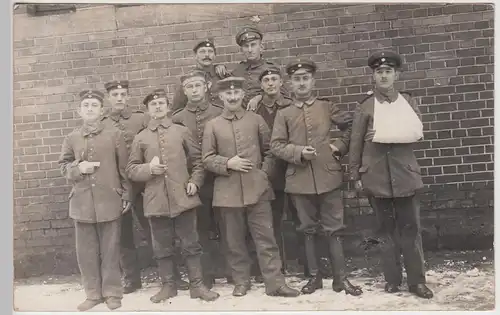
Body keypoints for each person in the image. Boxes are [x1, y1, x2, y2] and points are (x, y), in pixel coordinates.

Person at [270, 60, 362, 296]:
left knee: (334, 229)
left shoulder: (326, 107)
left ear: (313, 81)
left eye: (306, 78)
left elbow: (353, 127)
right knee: (307, 229)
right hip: (298, 180)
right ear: (290, 84)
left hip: (328, 177)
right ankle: (314, 278)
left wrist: (339, 146)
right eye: (297, 79)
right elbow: (276, 146)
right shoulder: (284, 113)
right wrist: (298, 152)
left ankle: (341, 279)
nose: (301, 83)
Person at [202, 77, 300, 298]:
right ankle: (241, 281)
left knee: (266, 239)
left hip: (258, 190)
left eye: (237, 93)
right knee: (234, 241)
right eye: (228, 94)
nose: (233, 97)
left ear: (243, 95)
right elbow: (207, 159)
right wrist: (228, 163)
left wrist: (263, 174)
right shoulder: (213, 125)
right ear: (221, 97)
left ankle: (275, 282)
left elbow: (270, 151)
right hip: (227, 192)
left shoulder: (256, 120)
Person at [348, 51, 433, 299]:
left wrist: (391, 130)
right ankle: (392, 279)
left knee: (411, 229)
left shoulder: (407, 101)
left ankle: (417, 281)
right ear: (373, 76)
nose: (383, 75)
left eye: (388, 71)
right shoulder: (365, 106)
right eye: (379, 72)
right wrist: (355, 175)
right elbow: (355, 142)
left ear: (396, 74)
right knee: (385, 231)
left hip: (405, 175)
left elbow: (416, 132)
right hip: (377, 177)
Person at [126, 88, 220, 303]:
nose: (158, 107)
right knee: (161, 246)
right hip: (156, 200)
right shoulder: (141, 137)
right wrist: (148, 169)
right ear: (147, 110)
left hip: (182, 198)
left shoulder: (181, 131)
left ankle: (197, 286)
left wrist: (195, 182)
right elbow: (131, 169)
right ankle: (169, 286)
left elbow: (198, 161)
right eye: (153, 105)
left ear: (168, 107)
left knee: (191, 243)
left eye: (161, 103)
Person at [101, 80, 189, 293]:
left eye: (123, 94)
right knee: (123, 234)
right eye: (115, 95)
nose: (120, 98)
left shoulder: (141, 118)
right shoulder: (103, 124)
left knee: (157, 231)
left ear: (128, 96)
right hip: (117, 185)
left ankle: (171, 277)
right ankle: (131, 278)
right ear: (108, 99)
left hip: (145, 183)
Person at [59, 90, 132, 311]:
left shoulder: (114, 135)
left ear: (102, 111)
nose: (90, 109)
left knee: (111, 250)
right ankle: (92, 294)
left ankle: (112, 293)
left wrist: (126, 194)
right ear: (79, 111)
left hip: (109, 199)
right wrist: (77, 169)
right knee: (86, 252)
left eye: (94, 105)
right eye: (86, 105)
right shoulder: (71, 138)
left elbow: (124, 168)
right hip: (82, 202)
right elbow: (64, 166)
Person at [172, 70, 230, 288]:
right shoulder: (177, 118)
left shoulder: (219, 111)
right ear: (184, 91)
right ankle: (206, 272)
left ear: (206, 86)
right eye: (189, 87)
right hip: (193, 180)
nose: (194, 90)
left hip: (221, 176)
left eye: (198, 85)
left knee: (227, 223)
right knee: (200, 226)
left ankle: (231, 269)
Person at [247, 66, 294, 274]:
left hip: (290, 169)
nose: (271, 84)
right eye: (266, 81)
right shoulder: (254, 109)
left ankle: (296, 263)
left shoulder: (290, 106)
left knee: (294, 217)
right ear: (261, 85)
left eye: (274, 79)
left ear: (281, 83)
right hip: (264, 171)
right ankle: (271, 267)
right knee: (268, 220)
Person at [231, 27, 289, 109]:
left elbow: (284, 95)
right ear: (242, 50)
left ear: (261, 47)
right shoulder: (237, 71)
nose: (250, 50)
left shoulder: (272, 68)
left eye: (253, 45)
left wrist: (260, 97)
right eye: (246, 46)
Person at [172, 38, 230, 112]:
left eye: (210, 51)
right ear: (195, 56)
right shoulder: (188, 80)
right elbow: (177, 109)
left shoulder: (222, 75)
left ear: (215, 56)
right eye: (202, 51)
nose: (207, 55)